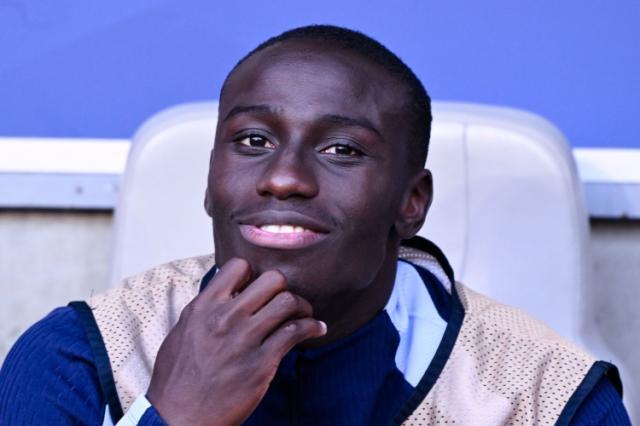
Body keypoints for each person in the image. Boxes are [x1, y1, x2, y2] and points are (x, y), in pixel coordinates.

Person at [0, 25, 631, 425]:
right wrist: (174, 418)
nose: (284, 178)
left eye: (341, 150)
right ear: (211, 182)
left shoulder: (543, 394)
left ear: (411, 203)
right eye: (253, 141)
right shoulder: (79, 357)